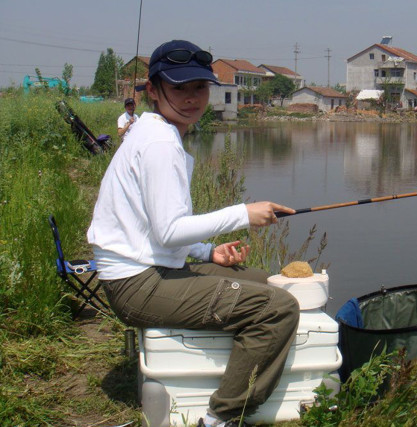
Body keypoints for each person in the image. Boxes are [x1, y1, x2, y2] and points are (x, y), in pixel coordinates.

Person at [87, 40, 299, 427]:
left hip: (149, 270)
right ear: (152, 90)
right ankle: (220, 418)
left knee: (264, 282)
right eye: (179, 88)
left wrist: (206, 253)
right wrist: (243, 213)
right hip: (137, 283)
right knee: (277, 308)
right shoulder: (158, 142)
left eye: (199, 88)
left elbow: (157, 226)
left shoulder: (157, 131)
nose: (191, 99)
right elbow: (168, 231)